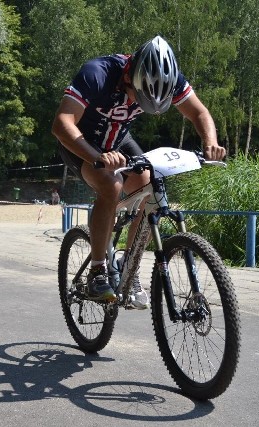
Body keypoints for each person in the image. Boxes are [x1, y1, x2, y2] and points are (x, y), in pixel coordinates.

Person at [51, 35, 226, 308]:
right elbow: (61, 124)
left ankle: (128, 263)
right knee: (110, 185)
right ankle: (97, 271)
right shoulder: (98, 73)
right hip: (81, 143)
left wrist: (210, 143)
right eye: (141, 97)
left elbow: (199, 113)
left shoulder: (171, 77)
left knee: (148, 183)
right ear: (130, 76)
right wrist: (97, 156)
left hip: (118, 140)